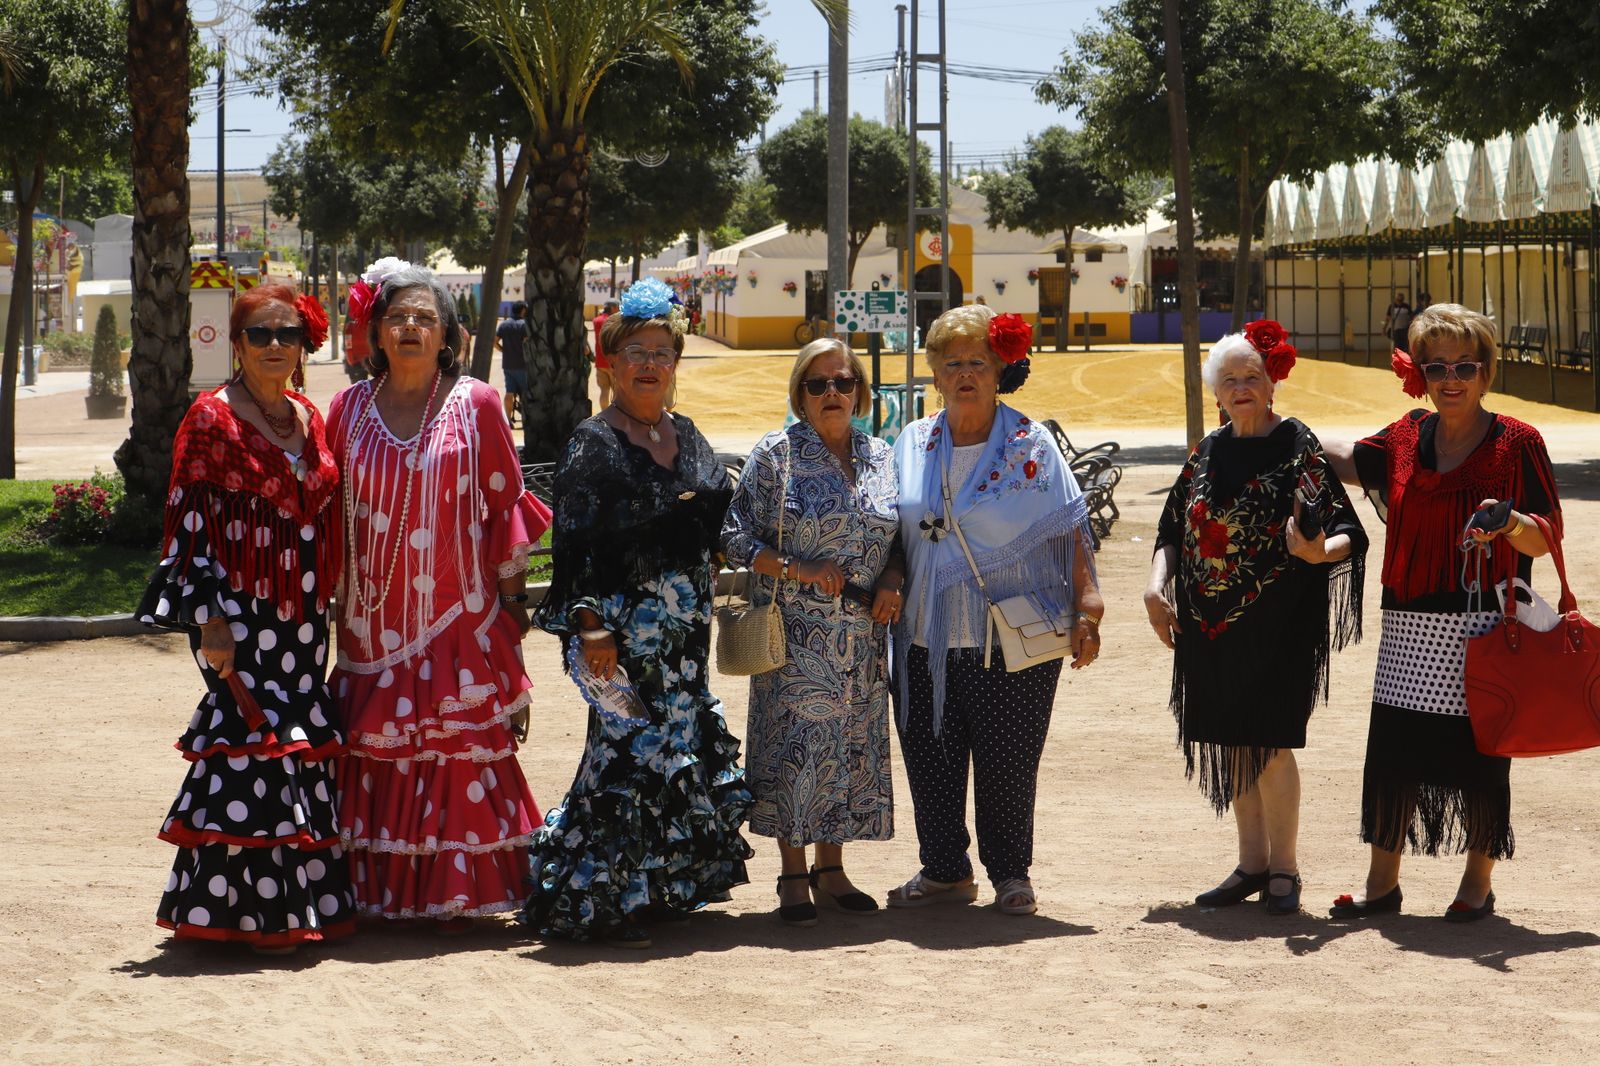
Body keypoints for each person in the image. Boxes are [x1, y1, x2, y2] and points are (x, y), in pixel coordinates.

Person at [521, 277, 752, 949]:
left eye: (662, 352)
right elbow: (575, 545)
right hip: (612, 638)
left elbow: (715, 515)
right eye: (636, 352)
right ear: (612, 364)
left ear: (676, 363)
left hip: (682, 635)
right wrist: (591, 628)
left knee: (674, 750)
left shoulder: (690, 436)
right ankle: (589, 901)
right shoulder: (592, 442)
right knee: (624, 755)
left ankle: (652, 891)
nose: (650, 364)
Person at [328, 259, 552, 933]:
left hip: (458, 616)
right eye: (397, 317)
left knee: (455, 753)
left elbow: (503, 508)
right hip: (371, 625)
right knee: (377, 749)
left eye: (425, 318)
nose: (410, 329)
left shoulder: (477, 404)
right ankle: (382, 894)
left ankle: (454, 896)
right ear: (375, 331)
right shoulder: (345, 410)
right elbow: (322, 508)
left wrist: (512, 615)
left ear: (447, 333)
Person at [1322, 303, 1560, 922]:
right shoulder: (1405, 436)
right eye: (1436, 367)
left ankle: (1477, 885)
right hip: (1407, 623)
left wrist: (1509, 522)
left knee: (1481, 753)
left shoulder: (1518, 442)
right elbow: (1343, 459)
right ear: (1420, 374)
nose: (1450, 379)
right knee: (1394, 752)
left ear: (1485, 372)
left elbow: (1545, 537)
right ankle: (1382, 886)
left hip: (1485, 622)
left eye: (1464, 366)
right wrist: (1274, 426)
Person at [138, 283, 356, 954]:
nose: (272, 346)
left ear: (304, 346)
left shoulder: (307, 417)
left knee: (293, 750)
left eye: (286, 334)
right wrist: (207, 620)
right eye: (259, 334)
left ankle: (292, 905)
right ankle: (244, 916)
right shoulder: (210, 419)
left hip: (299, 618)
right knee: (249, 748)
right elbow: (189, 527)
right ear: (236, 345)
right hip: (235, 614)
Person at [1144, 321, 1368, 916]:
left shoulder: (1295, 444)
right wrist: (1153, 588)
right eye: (1231, 379)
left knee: (1267, 743)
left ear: (1273, 386)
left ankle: (1285, 870)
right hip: (1208, 626)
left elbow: (1350, 531)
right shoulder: (1208, 449)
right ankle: (1251, 864)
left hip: (1277, 624)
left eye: (1253, 377)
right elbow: (1171, 530)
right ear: (1216, 391)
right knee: (1233, 745)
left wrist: (1320, 552)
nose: (1241, 387)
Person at [887, 306, 1103, 917]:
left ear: (999, 368)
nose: (964, 374)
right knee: (929, 758)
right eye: (950, 363)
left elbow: (1071, 527)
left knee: (1009, 761)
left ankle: (1012, 875)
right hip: (924, 635)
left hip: (1008, 637)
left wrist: (1087, 606)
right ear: (933, 373)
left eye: (977, 362)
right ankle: (944, 870)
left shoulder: (1030, 444)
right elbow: (892, 534)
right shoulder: (911, 441)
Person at [722, 338, 902, 926]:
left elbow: (898, 539)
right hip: (797, 634)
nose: (832, 393)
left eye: (843, 382)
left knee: (850, 748)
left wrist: (893, 580)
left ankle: (833, 869)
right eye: (818, 384)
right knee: (799, 750)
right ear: (799, 394)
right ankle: (793, 873)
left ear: (860, 391)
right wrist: (797, 568)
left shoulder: (880, 455)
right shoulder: (777, 455)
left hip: (864, 635)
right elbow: (733, 537)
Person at [495, 300, 530, 423]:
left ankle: (508, 420)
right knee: (524, 393)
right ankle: (526, 420)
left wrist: (504, 351)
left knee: (509, 392)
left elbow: (494, 341)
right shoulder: (523, 325)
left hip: (508, 364)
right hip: (522, 364)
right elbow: (527, 343)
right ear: (523, 310)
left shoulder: (504, 325)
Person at [592, 299, 618, 410]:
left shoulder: (596, 320)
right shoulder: (614, 321)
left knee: (604, 390)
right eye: (617, 307)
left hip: (600, 361)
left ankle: (604, 415)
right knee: (616, 392)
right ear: (612, 308)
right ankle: (615, 416)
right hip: (613, 363)